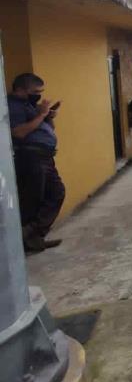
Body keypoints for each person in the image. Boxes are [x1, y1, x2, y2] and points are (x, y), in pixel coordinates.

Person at [8, 73, 65, 252]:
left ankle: (33, 234)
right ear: (20, 89)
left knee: (56, 193)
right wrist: (41, 115)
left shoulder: (29, 105)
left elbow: (44, 128)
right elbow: (18, 133)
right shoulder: (13, 106)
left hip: (45, 158)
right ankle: (29, 236)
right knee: (33, 199)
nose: (38, 95)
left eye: (41, 91)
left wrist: (48, 116)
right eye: (35, 92)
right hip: (31, 157)